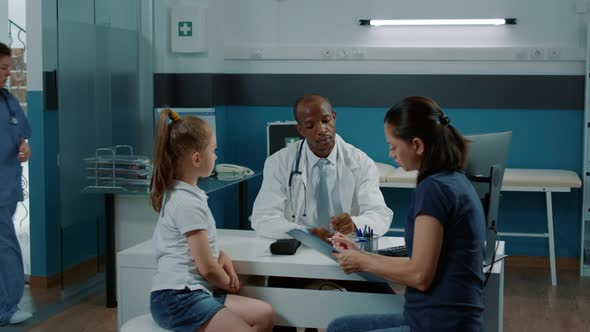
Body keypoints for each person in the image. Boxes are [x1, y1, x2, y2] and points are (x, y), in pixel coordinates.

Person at [328, 96, 486, 332]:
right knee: (340, 327)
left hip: (440, 325)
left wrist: (365, 262)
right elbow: (419, 263)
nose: (391, 153)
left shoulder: (434, 189)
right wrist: (362, 255)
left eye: (393, 146)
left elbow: (420, 275)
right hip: (436, 318)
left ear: (417, 145)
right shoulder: (453, 180)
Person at [149, 109, 274, 332]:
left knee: (265, 315)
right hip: (178, 299)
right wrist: (231, 285)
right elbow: (207, 268)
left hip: (193, 293)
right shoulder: (187, 203)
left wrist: (221, 255)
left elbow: (199, 250)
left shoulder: (187, 195)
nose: (216, 157)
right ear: (197, 158)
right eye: (213, 151)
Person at [252, 94, 392, 241]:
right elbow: (263, 219)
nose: (321, 129)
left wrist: (356, 224)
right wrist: (306, 233)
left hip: (347, 246)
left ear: (334, 117)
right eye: (310, 125)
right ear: (300, 130)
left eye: (326, 120)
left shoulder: (361, 162)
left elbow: (380, 215)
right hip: (299, 246)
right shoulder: (279, 163)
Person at [0, 42, 32, 326]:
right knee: (6, 247)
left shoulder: (8, 100)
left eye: (9, 67)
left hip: (7, 188)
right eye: (2, 68)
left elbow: (22, 134)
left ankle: (6, 306)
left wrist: (24, 146)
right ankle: (6, 307)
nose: (7, 73)